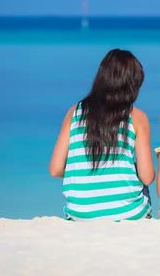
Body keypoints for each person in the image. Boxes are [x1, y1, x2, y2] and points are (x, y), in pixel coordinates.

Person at [49, 49, 154, 221]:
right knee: (141, 185)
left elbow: (55, 169)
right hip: (128, 214)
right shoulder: (138, 117)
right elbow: (147, 176)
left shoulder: (74, 112)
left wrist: (87, 171)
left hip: (79, 214)